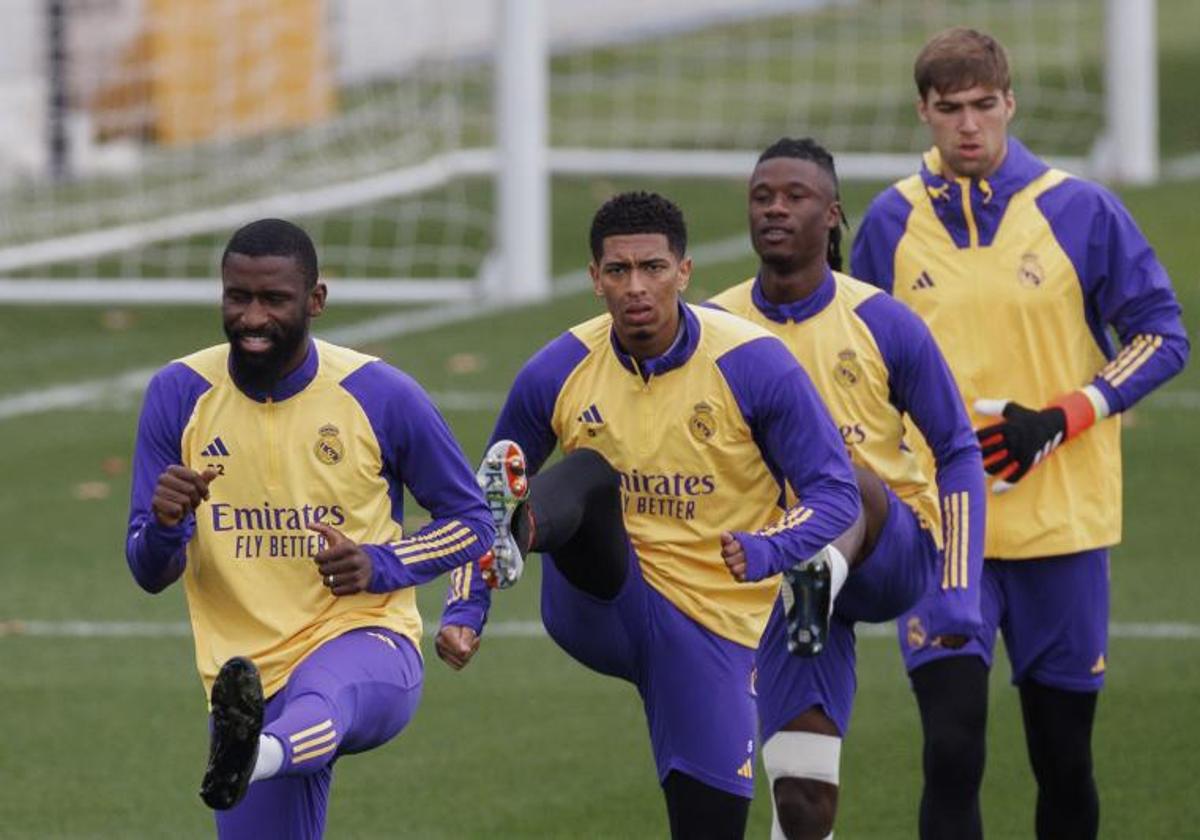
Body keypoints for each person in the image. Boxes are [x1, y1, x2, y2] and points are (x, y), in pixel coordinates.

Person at [436, 191, 863, 839]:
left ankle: (524, 529)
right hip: (604, 598)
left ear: (684, 272)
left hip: (712, 629)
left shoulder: (755, 365)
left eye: (653, 269)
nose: (636, 288)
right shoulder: (557, 369)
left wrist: (769, 550)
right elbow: (487, 491)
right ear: (595, 279)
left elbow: (837, 494)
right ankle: (524, 532)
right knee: (588, 474)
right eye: (618, 271)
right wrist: (467, 611)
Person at [850, 28, 1190, 840]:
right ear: (923, 113)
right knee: (951, 750)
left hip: (1062, 527)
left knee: (1064, 757)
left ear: (1011, 103)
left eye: (984, 106)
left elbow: (1161, 335)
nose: (970, 126)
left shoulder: (1081, 211)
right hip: (944, 530)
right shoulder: (890, 223)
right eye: (950, 109)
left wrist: (1063, 416)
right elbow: (853, 357)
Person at [124, 218, 494, 839]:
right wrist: (165, 524)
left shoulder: (379, 394)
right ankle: (254, 749)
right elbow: (148, 570)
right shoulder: (179, 393)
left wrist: (378, 565)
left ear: (315, 301)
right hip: (243, 683)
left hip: (366, 640)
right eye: (237, 297)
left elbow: (473, 523)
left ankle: (255, 757)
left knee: (322, 696)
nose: (251, 317)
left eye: (274, 299)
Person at [707, 137, 985, 840]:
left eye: (794, 196)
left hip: (887, 551)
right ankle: (809, 579)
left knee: (842, 480)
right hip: (783, 576)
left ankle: (818, 571)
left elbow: (956, 451)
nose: (774, 208)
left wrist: (958, 586)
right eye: (761, 196)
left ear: (832, 215)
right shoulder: (714, 328)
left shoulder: (882, 320)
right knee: (800, 801)